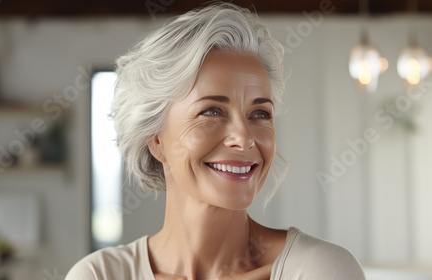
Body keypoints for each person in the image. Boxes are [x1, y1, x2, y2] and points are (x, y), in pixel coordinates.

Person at [66, 3, 366, 280]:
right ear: (156, 139)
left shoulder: (320, 271)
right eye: (212, 111)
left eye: (260, 114)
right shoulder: (99, 275)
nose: (244, 138)